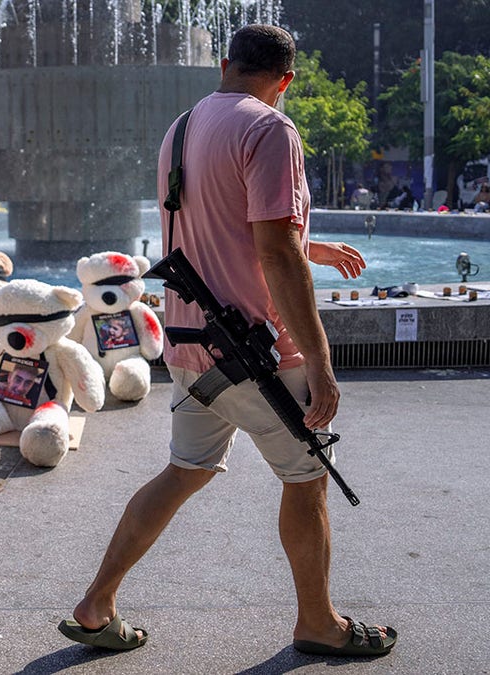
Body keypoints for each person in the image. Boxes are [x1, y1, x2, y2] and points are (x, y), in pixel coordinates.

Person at [59, 25, 395, 657]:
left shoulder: (183, 127)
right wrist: (319, 361)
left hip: (190, 343)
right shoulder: (272, 129)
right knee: (306, 480)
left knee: (185, 471)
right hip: (256, 352)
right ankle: (318, 622)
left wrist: (308, 246)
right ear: (286, 80)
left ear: (224, 65)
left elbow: (219, 226)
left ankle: (96, 604)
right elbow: (271, 251)